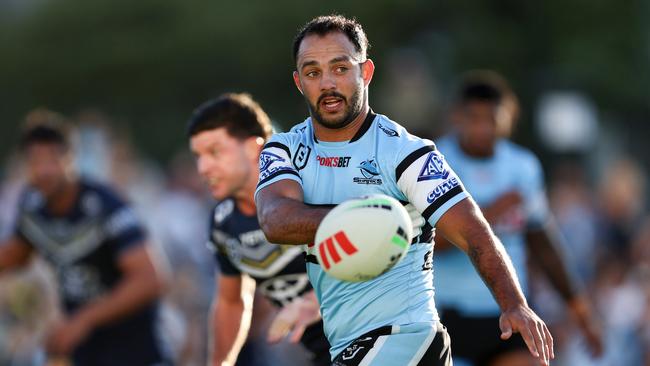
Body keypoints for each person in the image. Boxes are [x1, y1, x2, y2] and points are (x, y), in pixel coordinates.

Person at [255, 15, 554, 366]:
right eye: (313, 72)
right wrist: (359, 221)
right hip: (347, 344)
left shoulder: (406, 152)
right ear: (298, 82)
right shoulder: (283, 149)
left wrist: (514, 303)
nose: (327, 84)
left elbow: (472, 229)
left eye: (340, 68)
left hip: (407, 338)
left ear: (365, 72)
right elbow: (275, 219)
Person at [433, 71, 603, 366]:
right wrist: (490, 213)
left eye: (492, 118)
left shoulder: (522, 167)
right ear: (457, 117)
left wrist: (580, 310)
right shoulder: (434, 161)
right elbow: (430, 243)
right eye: (474, 118)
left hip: (509, 309)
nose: (483, 128)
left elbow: (543, 243)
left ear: (508, 118)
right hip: (449, 313)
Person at [0, 109, 172, 365]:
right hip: (84, 351)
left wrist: (84, 319)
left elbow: (151, 279)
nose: (45, 170)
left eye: (53, 159)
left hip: (135, 350)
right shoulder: (33, 205)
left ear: (72, 158)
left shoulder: (105, 205)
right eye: (36, 161)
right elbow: (16, 253)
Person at [187, 93, 331, 366]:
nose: (203, 167)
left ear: (255, 148)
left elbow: (384, 238)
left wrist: (320, 298)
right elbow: (231, 302)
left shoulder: (310, 182)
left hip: (380, 338)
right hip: (325, 353)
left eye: (215, 152)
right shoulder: (223, 222)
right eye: (198, 156)